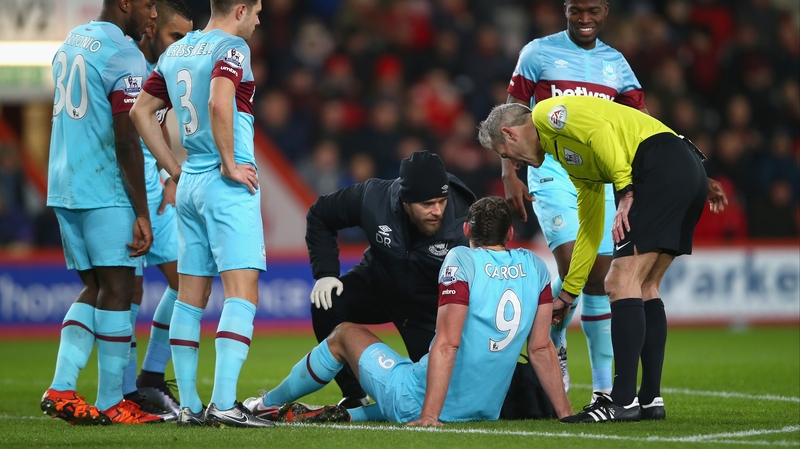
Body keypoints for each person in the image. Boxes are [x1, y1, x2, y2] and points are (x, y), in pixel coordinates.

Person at [478, 97, 728, 423]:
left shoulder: (544, 114)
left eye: (504, 155)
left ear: (510, 134)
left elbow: (599, 131)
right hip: (682, 166)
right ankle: (650, 399)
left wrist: (625, 191)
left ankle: (620, 401)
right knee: (646, 286)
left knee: (618, 281)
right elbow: (590, 230)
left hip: (658, 167)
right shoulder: (574, 160)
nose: (514, 164)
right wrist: (568, 293)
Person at [243, 196, 573, 425]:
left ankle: (267, 402)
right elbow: (541, 347)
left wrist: (428, 416)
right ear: (510, 234)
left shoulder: (462, 260)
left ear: (467, 231)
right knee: (403, 386)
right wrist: (565, 415)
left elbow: (448, 343)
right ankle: (342, 415)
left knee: (345, 334)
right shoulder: (534, 266)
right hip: (484, 408)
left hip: (422, 399)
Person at [130, 0, 271, 428]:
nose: (260, 21)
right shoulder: (232, 47)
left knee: (191, 297)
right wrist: (229, 162)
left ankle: (189, 406)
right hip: (226, 185)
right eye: (258, 11)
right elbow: (218, 101)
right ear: (241, 9)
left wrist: (175, 169)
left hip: (189, 182)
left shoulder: (176, 50)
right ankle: (225, 403)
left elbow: (140, 111)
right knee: (241, 291)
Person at [502, 0, 648, 398]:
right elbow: (510, 116)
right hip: (550, 170)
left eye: (592, 11)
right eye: (576, 11)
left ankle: (602, 389)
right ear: (565, 9)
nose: (584, 19)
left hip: (597, 177)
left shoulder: (616, 63)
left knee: (598, 280)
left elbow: (638, 120)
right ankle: (555, 347)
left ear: (605, 10)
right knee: (571, 262)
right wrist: (508, 172)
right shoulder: (536, 52)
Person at [40, 0, 164, 426]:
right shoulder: (124, 55)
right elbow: (127, 140)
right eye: (148, 4)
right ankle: (113, 401)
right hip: (104, 188)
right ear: (125, 3)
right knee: (118, 289)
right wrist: (142, 212)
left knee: (95, 288)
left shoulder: (71, 43)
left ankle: (60, 387)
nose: (153, 13)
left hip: (64, 184)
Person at [298, 150, 476, 409]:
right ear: (405, 200)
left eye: (442, 200)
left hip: (428, 308)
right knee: (326, 304)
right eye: (427, 204)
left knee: (441, 400)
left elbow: (482, 278)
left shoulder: (465, 219)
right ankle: (354, 394)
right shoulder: (373, 198)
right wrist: (325, 273)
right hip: (377, 286)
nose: (437, 210)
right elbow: (320, 215)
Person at [119, 0, 193, 420]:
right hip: (132, 190)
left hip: (154, 186)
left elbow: (156, 122)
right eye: (174, 36)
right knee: (141, 288)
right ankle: (137, 384)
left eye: (187, 37)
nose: (181, 45)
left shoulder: (163, 75)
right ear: (151, 32)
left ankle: (141, 382)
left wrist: (168, 176)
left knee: (174, 283)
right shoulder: (131, 70)